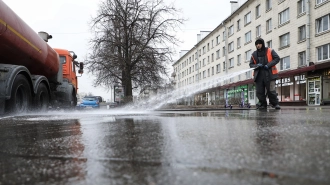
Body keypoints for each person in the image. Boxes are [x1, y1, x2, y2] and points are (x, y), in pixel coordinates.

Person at [250, 38, 281, 109]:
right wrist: (257, 66)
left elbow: (277, 58)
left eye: (259, 44)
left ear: (263, 44)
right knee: (259, 91)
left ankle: (275, 104)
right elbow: (251, 65)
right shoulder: (254, 54)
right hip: (259, 75)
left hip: (270, 74)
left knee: (271, 90)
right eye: (256, 44)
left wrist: (268, 65)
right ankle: (263, 104)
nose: (258, 45)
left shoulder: (270, 50)